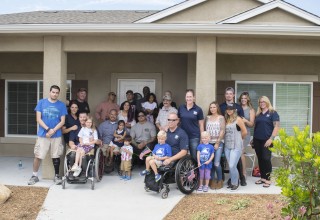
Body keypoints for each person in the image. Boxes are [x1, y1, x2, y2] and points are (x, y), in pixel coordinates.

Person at [28, 85, 68, 185]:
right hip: (43, 134)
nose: (55, 94)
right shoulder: (41, 102)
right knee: (38, 155)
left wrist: (53, 130)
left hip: (56, 135)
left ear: (58, 94)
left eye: (57, 93)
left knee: (56, 155)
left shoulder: (61, 105)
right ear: (50, 92)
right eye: (53, 92)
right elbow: (38, 119)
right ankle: (34, 176)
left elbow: (62, 121)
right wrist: (48, 129)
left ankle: (57, 176)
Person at [220, 87, 246, 186]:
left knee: (235, 161)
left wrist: (240, 139)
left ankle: (241, 178)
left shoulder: (238, 107)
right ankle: (232, 180)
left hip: (236, 139)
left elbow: (243, 128)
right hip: (227, 140)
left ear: (233, 95)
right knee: (229, 162)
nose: (228, 95)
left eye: (230, 94)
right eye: (227, 93)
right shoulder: (221, 107)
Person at [253, 96, 280, 188]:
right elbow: (256, 127)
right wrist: (253, 138)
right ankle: (263, 178)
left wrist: (271, 138)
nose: (262, 103)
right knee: (260, 159)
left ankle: (268, 179)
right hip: (257, 140)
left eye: (263, 101)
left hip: (267, 140)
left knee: (266, 159)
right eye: (260, 102)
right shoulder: (259, 114)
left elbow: (276, 127)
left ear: (267, 102)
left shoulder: (273, 113)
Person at [224, 103, 247, 191]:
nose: (229, 111)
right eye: (228, 109)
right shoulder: (227, 119)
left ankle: (235, 183)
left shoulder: (238, 119)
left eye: (231, 109)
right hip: (227, 146)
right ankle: (233, 181)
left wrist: (239, 139)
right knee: (230, 166)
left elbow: (244, 131)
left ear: (234, 110)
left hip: (236, 146)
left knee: (232, 164)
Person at [178, 89, 204, 160]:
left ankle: (196, 170)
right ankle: (186, 170)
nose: (188, 98)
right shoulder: (181, 108)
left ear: (194, 97)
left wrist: (202, 137)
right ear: (185, 97)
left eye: (190, 96)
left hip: (194, 137)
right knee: (182, 156)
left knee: (195, 156)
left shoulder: (198, 109)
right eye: (187, 97)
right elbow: (178, 121)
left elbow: (201, 124)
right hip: (183, 136)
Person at [205, 101, 225, 190]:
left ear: (217, 108)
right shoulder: (207, 118)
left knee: (216, 163)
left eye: (214, 107)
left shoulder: (221, 118)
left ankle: (220, 180)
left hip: (218, 142)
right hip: (208, 143)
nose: (212, 109)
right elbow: (205, 131)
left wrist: (217, 142)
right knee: (211, 163)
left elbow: (222, 131)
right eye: (211, 107)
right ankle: (212, 180)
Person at [238, 92, 255, 181]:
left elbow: (252, 124)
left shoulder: (251, 110)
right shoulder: (237, 108)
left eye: (245, 98)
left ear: (248, 99)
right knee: (237, 153)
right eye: (242, 98)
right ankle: (238, 172)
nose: (243, 100)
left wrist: (245, 121)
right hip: (237, 133)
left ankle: (243, 174)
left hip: (246, 134)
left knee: (241, 152)